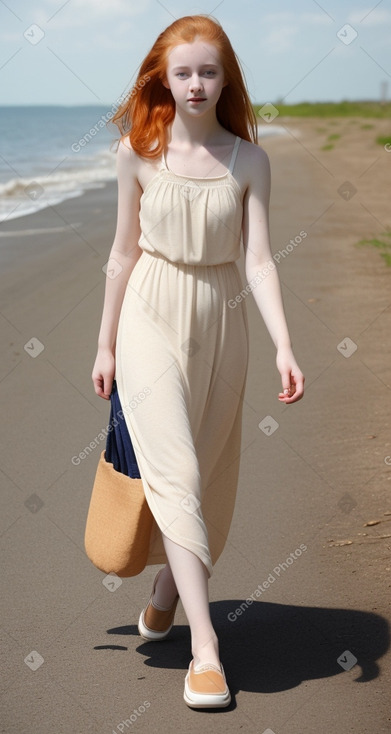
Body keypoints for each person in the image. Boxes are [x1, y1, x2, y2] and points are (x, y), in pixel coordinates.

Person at [92, 14, 304, 709]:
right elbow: (122, 254)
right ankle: (205, 651)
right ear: (162, 77)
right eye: (181, 72)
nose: (194, 83)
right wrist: (104, 344)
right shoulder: (136, 153)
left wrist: (282, 344)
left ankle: (164, 590)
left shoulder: (248, 160)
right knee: (176, 470)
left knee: (205, 471)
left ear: (225, 78)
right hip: (149, 316)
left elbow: (257, 260)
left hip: (222, 322)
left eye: (207, 71)